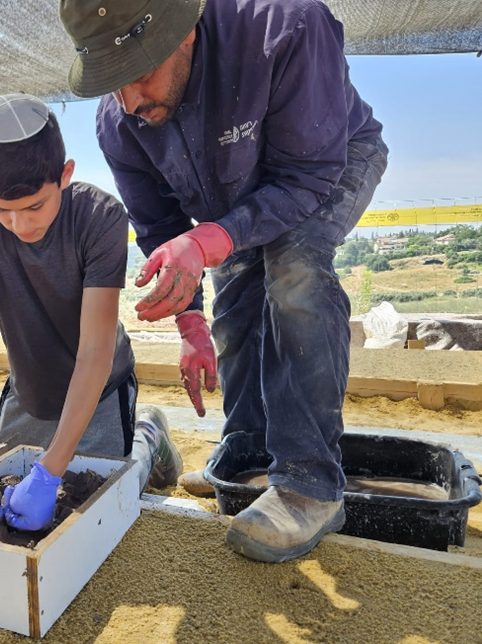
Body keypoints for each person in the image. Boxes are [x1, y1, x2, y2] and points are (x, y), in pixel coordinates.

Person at [59, 0, 388, 562]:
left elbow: (306, 177)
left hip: (327, 165)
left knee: (294, 269)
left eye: (138, 74)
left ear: (183, 33)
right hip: (234, 201)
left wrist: (209, 241)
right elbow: (159, 223)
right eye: (113, 84)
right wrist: (189, 322)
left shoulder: (284, 27)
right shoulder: (121, 123)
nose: (130, 101)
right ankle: (248, 456)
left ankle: (309, 485)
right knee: (233, 309)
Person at [0, 94, 183, 530]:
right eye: (3, 210)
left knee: (103, 492)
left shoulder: (101, 217)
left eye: (35, 206)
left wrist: (52, 469)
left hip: (98, 390)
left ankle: (151, 438)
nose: (20, 225)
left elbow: (95, 350)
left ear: (65, 175)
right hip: (29, 388)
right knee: (5, 492)